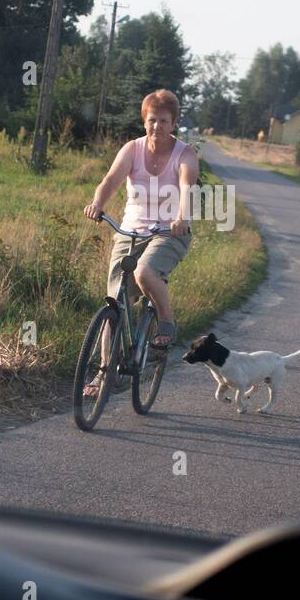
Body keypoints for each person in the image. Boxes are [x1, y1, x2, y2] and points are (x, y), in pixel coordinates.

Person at [81, 89, 198, 401]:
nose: (156, 126)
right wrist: (97, 203)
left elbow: (187, 186)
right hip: (130, 230)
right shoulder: (132, 149)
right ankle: (105, 372)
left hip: (170, 232)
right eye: (151, 120)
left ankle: (166, 321)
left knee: (146, 272)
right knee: (114, 303)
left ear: (173, 123)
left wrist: (183, 217)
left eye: (163, 121)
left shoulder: (185, 154)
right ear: (143, 121)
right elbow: (110, 180)